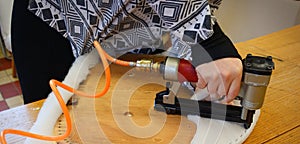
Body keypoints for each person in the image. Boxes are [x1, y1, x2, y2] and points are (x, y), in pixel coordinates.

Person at [12, 0, 242, 104]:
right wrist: (210, 43)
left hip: (133, 25)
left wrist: (198, 41)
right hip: (55, 18)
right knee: (47, 122)